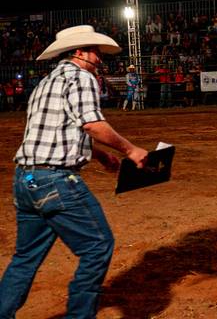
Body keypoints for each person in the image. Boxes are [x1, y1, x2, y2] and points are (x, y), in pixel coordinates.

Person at [0, 25, 148, 318]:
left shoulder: (46, 82)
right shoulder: (81, 77)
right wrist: (130, 150)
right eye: (95, 52)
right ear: (80, 52)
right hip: (56, 181)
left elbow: (59, 129)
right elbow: (91, 124)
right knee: (97, 246)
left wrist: (100, 155)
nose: (99, 58)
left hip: (26, 179)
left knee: (25, 257)